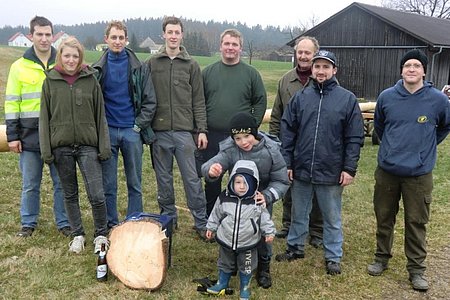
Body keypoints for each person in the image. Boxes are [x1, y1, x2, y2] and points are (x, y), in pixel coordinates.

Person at [367, 49, 450, 291]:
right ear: (401, 70)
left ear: (424, 70)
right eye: (407, 65)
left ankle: (416, 270)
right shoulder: (387, 97)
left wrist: (425, 148)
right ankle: (381, 259)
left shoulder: (438, 100)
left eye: (416, 65)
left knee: (416, 222)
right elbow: (380, 127)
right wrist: (392, 149)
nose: (411, 69)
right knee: (384, 218)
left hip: (419, 175)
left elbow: (444, 127)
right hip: (388, 172)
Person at [275, 50, 364, 276]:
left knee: (331, 216)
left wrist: (349, 168)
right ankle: (295, 247)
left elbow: (354, 137)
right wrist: (287, 163)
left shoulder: (347, 99)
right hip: (302, 168)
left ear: (334, 70)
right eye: (317, 67)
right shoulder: (301, 98)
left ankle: (333, 256)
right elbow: (288, 132)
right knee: (298, 212)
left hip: (331, 171)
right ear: (312, 70)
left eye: (326, 67)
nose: (321, 71)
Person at [39, 36, 111, 254]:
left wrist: (103, 145)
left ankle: (101, 234)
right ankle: (77, 234)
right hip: (61, 147)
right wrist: (46, 149)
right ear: (60, 56)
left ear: (81, 58)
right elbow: (44, 117)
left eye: (75, 56)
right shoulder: (50, 81)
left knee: (97, 193)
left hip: (88, 146)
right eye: (67, 55)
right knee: (69, 193)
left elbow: (100, 114)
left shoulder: (90, 80)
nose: (71, 60)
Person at [202, 112, 289, 288]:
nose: (243, 142)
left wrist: (267, 195)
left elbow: (281, 180)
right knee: (232, 230)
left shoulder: (271, 150)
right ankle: (232, 263)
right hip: (236, 199)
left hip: (260, 199)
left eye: (247, 136)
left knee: (262, 233)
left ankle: (264, 268)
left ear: (255, 133)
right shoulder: (230, 149)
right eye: (238, 138)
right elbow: (208, 165)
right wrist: (211, 170)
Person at [4, 16, 70, 238]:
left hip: (57, 135)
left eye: (48, 34)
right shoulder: (18, 67)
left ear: (53, 36)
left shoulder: (62, 64)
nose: (44, 39)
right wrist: (12, 136)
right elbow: (12, 103)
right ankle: (28, 223)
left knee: (61, 183)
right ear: (31, 36)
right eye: (39, 34)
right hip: (29, 136)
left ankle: (64, 222)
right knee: (31, 184)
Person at [147, 16, 209, 239]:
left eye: (177, 32)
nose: (173, 36)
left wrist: (201, 129)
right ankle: (168, 221)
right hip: (160, 133)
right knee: (163, 181)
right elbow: (145, 97)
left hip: (185, 133)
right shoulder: (153, 64)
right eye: (169, 32)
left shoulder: (191, 65)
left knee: (192, 180)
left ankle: (201, 223)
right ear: (163, 35)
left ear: (182, 35)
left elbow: (198, 100)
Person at [92, 20, 157, 229]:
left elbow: (150, 100)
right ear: (106, 40)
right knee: (109, 184)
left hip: (132, 131)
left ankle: (134, 221)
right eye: (114, 37)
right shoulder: (97, 69)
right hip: (108, 131)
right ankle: (111, 223)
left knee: (135, 182)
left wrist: (138, 125)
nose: (118, 41)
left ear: (126, 39)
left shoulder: (139, 67)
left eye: (121, 37)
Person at [202, 28, 267, 216]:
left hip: (241, 139)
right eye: (227, 44)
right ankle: (211, 216)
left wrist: (250, 129)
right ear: (221, 46)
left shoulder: (251, 74)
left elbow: (260, 101)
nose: (230, 48)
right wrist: (201, 130)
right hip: (213, 135)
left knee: (241, 177)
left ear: (240, 48)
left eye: (234, 44)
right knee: (213, 177)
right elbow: (199, 102)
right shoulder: (208, 73)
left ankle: (241, 217)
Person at [269, 36, 324, 247]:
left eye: (307, 53)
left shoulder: (321, 78)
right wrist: (276, 142)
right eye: (300, 52)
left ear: (314, 54)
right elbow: (276, 115)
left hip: (316, 145)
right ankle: (288, 224)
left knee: (317, 189)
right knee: (288, 186)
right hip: (289, 146)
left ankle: (316, 231)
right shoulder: (286, 80)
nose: (303, 56)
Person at [205, 160, 276, 300]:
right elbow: (216, 213)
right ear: (232, 181)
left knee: (247, 266)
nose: (242, 187)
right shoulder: (224, 197)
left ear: (254, 183)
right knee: (225, 263)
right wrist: (211, 227)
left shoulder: (257, 200)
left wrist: (269, 232)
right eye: (238, 182)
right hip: (226, 239)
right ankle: (222, 283)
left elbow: (265, 218)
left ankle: (245, 287)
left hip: (247, 242)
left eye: (246, 183)